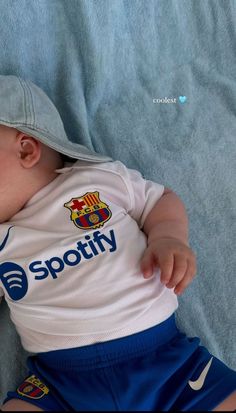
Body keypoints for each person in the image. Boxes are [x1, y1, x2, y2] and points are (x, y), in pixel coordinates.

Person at [0, 75, 235, 412]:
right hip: (60, 384)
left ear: (26, 149)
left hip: (168, 364)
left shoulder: (100, 179)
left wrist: (167, 236)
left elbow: (160, 200)